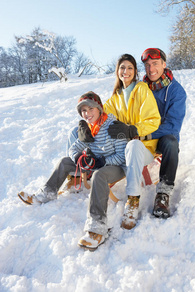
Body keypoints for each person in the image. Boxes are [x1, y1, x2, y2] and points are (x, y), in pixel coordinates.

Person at [18, 91, 127, 250]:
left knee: (98, 175)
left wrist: (101, 161)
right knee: (64, 162)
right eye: (83, 111)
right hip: (96, 164)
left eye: (90, 109)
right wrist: (79, 159)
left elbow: (122, 155)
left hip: (116, 166)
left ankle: (97, 228)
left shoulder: (112, 126)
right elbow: (75, 148)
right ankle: (46, 193)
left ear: (99, 108)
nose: (87, 114)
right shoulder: (89, 128)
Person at [79, 54, 161, 232]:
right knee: (80, 134)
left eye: (130, 68)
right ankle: (75, 170)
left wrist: (132, 130)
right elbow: (99, 115)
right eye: (122, 68)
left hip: (143, 148)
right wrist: (84, 126)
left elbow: (154, 120)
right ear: (117, 71)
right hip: (121, 151)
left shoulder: (142, 89)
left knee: (133, 145)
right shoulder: (115, 97)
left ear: (135, 71)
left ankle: (133, 199)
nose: (126, 71)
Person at [139, 48, 186, 218]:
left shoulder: (176, 91)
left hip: (161, 139)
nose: (151, 69)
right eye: (147, 65)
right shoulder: (140, 88)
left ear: (164, 65)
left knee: (171, 142)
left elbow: (173, 126)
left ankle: (163, 194)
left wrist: (145, 135)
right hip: (141, 137)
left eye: (155, 64)